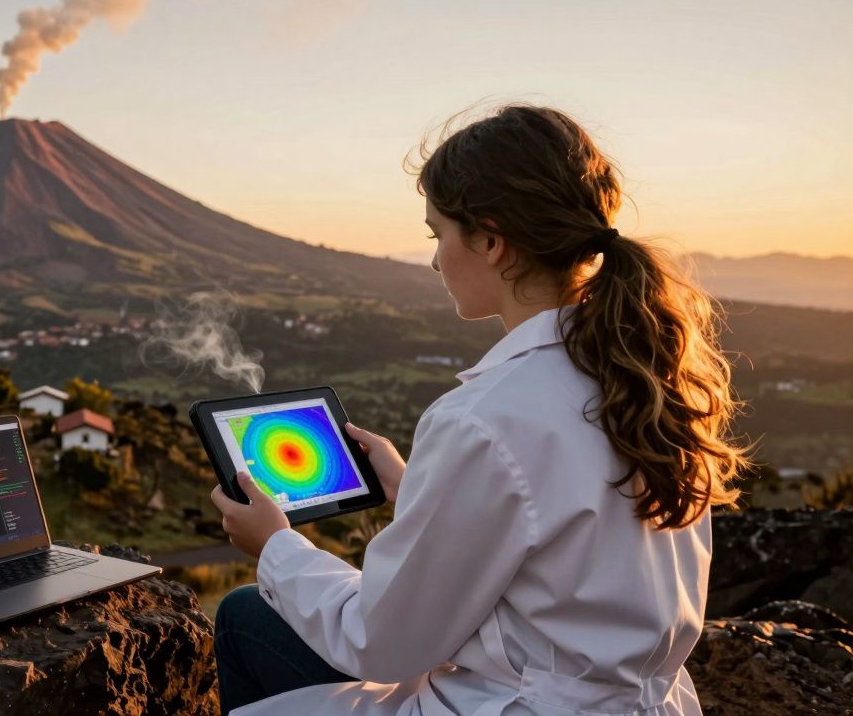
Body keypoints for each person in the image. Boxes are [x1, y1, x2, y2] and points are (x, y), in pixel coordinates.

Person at [208, 104, 755, 716]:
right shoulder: (646, 378)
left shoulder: (483, 417)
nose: (437, 259)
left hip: (517, 703)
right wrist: (416, 487)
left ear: (493, 242)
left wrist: (275, 546)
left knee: (245, 615)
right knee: (252, 613)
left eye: (437, 234)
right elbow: (559, 541)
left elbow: (380, 641)